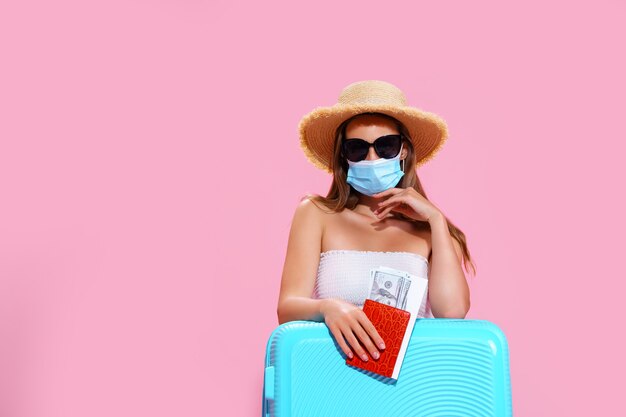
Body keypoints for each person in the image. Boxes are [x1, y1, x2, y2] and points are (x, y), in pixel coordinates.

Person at [277, 80, 475, 363]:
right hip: (330, 374)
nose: (372, 158)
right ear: (344, 157)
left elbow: (453, 312)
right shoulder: (316, 213)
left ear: (404, 150)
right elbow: (287, 308)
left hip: (413, 379)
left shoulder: (432, 231)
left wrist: (436, 220)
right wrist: (329, 307)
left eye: (386, 146)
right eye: (357, 149)